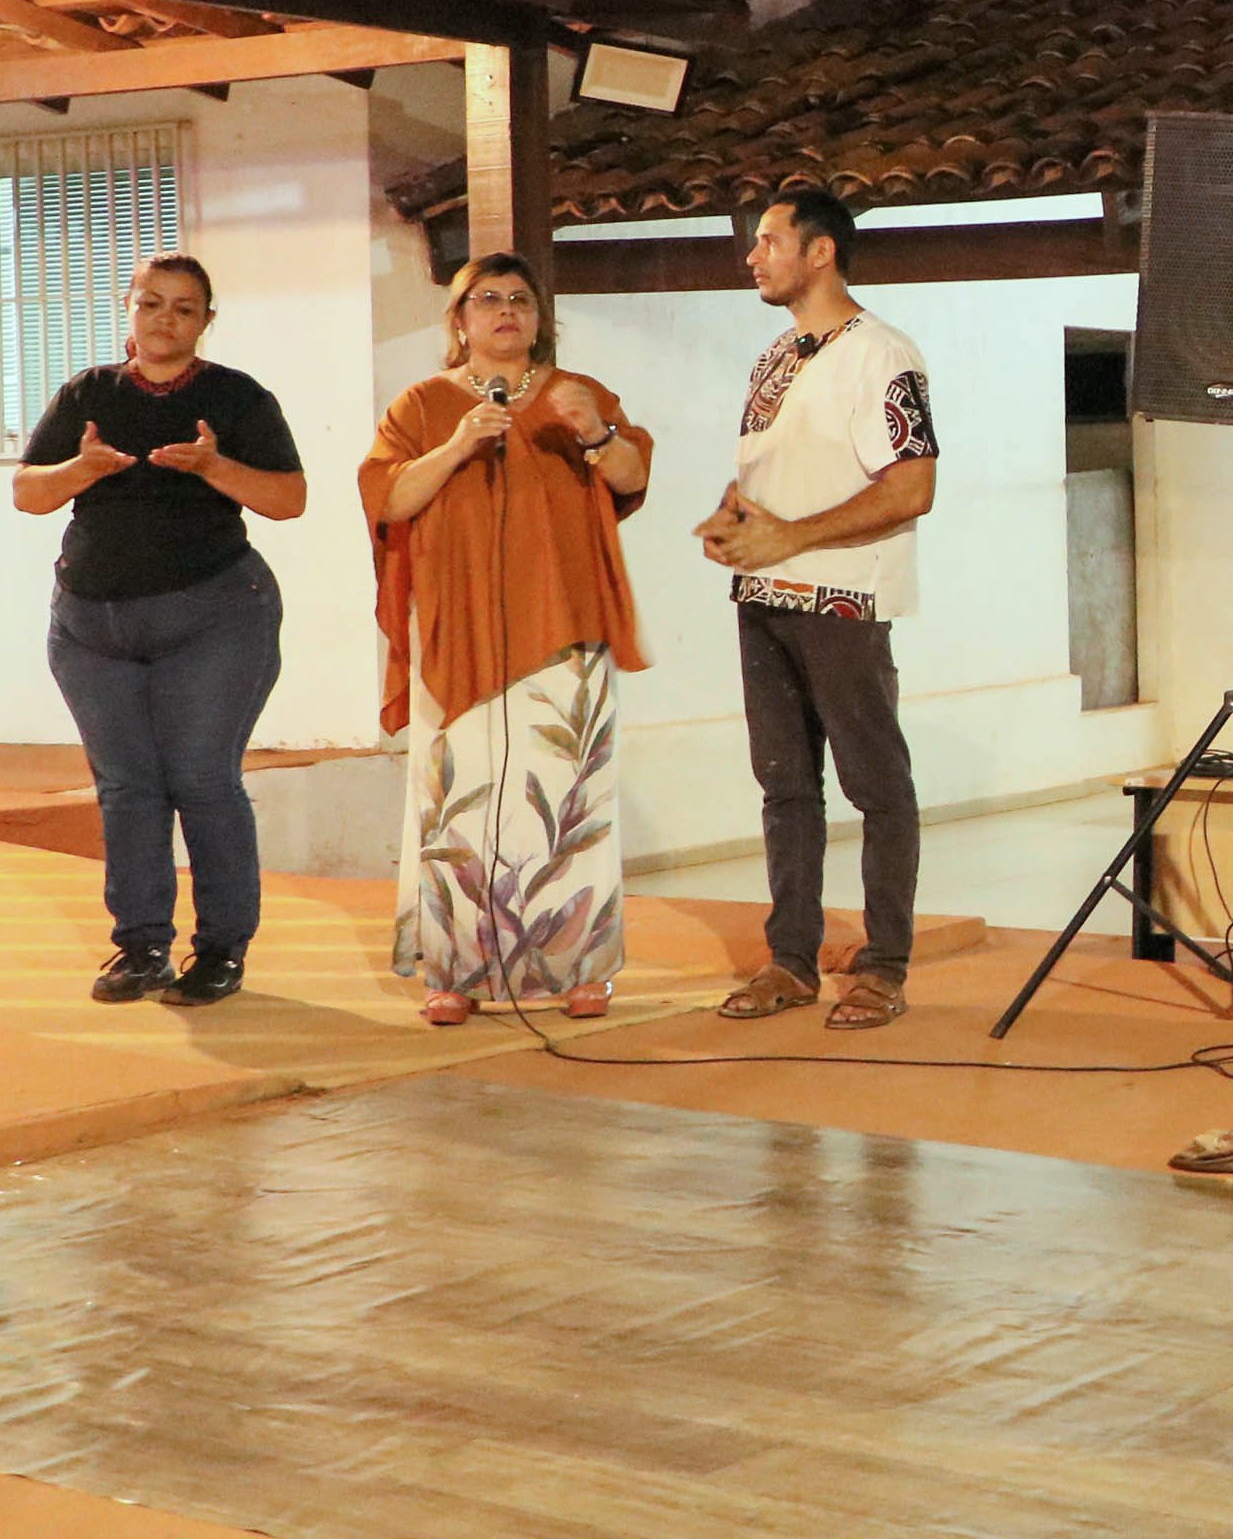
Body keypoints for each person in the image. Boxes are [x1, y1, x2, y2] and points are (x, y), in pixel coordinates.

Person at [360, 254, 654, 1024]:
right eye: (487, 298)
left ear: (538, 317)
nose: (506, 310)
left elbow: (631, 476)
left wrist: (598, 433)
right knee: (458, 797)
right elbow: (389, 495)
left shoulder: (575, 394)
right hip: (457, 624)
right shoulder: (422, 404)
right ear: (459, 320)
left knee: (566, 795)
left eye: (520, 298)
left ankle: (580, 966)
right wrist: (459, 443)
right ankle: (453, 970)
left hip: (564, 619)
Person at [13, 256, 305, 1007]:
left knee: (201, 780)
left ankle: (222, 949)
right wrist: (80, 470)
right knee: (126, 786)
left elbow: (288, 499)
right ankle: (141, 945)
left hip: (214, 617)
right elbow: (28, 492)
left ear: (207, 320)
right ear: (129, 307)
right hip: (91, 625)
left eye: (183, 307)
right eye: (151, 303)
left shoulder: (237, 396)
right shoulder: (88, 392)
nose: (164, 318)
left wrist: (212, 466)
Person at [699, 189, 939, 1032]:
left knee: (877, 784)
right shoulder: (774, 355)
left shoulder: (883, 353)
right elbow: (777, 471)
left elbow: (912, 487)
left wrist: (792, 536)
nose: (752, 257)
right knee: (785, 787)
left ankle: (884, 965)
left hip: (842, 597)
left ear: (821, 251)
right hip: (764, 596)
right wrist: (732, 519)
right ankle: (791, 960)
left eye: (769, 240)